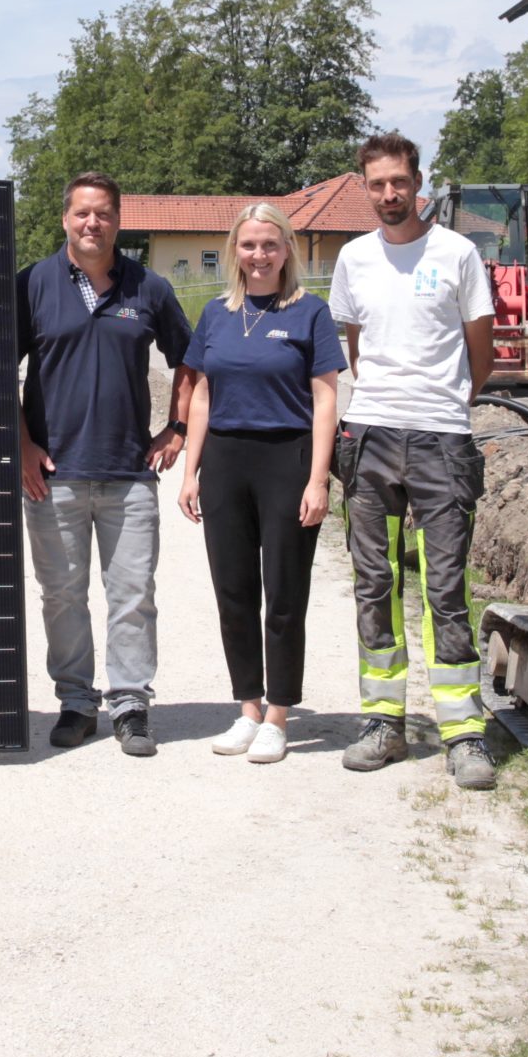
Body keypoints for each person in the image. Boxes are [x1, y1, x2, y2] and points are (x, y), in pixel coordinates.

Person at [330, 133, 499, 789]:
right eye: (377, 184)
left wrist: (446, 403)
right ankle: (384, 723)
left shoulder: (457, 253)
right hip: (370, 436)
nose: (389, 194)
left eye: (398, 182)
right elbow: (357, 348)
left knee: (445, 586)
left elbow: (481, 353)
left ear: (418, 182)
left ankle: (463, 732)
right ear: (364, 188)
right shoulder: (353, 258)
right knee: (374, 582)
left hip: (441, 440)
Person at [16, 172, 196, 756]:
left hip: (129, 474)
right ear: (65, 218)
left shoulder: (149, 288)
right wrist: (22, 444)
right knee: (62, 597)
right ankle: (75, 703)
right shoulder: (31, 284)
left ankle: (130, 705)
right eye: (82, 213)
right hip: (53, 476)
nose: (92, 223)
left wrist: (177, 428)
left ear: (119, 220)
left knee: (133, 596)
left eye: (104, 213)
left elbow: (191, 360)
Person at [175, 203, 344, 765]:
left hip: (287, 459)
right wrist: (191, 471)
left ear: (286, 249)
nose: (259, 254)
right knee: (234, 591)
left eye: (270, 244)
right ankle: (248, 707)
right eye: (249, 244)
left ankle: (278, 714)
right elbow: (201, 395)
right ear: (235, 251)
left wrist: (318, 480)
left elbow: (326, 399)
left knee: (284, 594)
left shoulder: (310, 312)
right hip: (225, 462)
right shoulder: (216, 314)